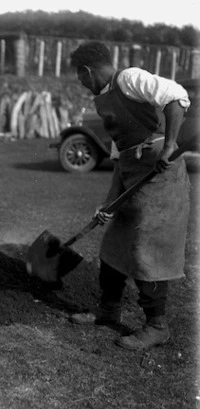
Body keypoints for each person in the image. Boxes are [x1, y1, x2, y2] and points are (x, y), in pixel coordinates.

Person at [69, 41, 191, 351]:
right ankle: (108, 310)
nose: (81, 84)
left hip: (160, 178)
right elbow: (120, 158)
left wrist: (169, 146)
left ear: (87, 70)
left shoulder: (129, 79)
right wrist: (110, 203)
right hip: (132, 175)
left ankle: (157, 326)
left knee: (146, 251)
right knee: (113, 247)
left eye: (80, 77)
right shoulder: (105, 99)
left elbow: (176, 97)